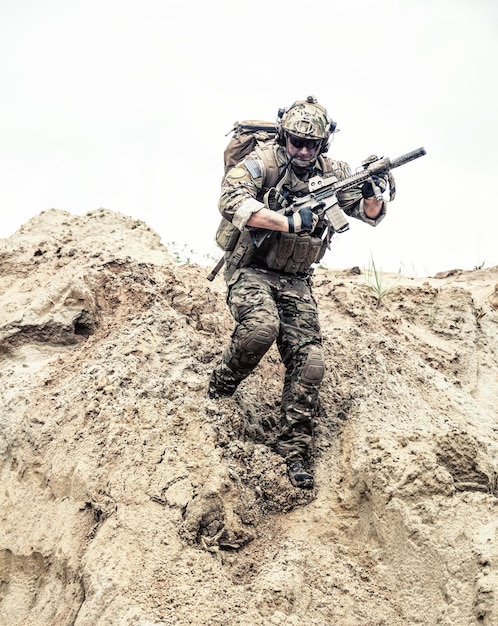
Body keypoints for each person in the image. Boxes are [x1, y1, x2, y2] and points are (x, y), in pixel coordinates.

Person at [208, 96, 387, 489]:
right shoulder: (261, 162)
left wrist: (374, 191)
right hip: (252, 269)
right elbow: (231, 201)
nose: (303, 150)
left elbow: (369, 215)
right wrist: (288, 221)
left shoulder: (336, 173)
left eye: (312, 144)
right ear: (285, 137)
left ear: (324, 144)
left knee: (311, 362)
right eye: (296, 142)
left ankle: (294, 449)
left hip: (296, 279)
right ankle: (219, 388)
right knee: (260, 329)